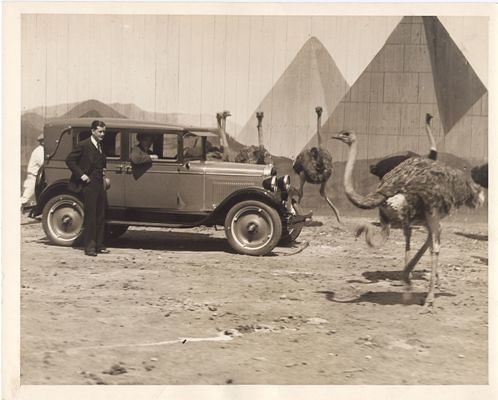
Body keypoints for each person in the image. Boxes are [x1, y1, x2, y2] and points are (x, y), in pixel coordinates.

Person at [66, 120, 109, 257]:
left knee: (101, 214)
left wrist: (103, 174)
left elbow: (101, 163)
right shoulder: (83, 145)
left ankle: (99, 245)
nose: (102, 134)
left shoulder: (100, 145)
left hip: (99, 184)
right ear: (93, 131)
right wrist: (81, 175)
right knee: (91, 216)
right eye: (100, 131)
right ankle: (89, 247)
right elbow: (70, 160)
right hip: (89, 185)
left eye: (104, 132)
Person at [21, 133, 44, 209]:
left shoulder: (42, 150)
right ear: (42, 141)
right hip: (33, 178)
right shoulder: (39, 151)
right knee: (25, 199)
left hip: (37, 177)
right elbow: (43, 163)